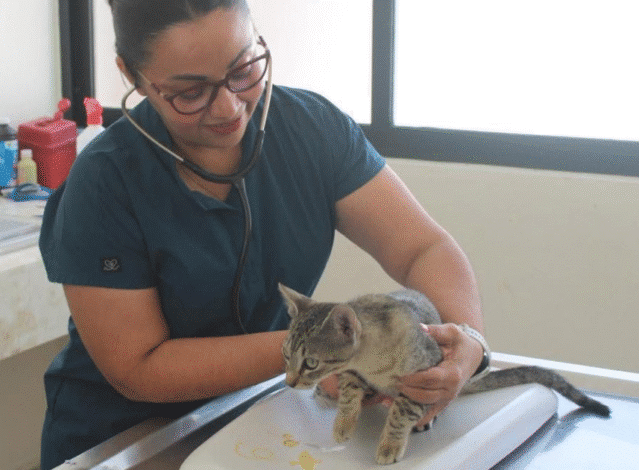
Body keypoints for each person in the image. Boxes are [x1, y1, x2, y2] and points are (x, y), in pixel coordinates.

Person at [37, 0, 487, 468]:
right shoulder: (105, 184)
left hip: (256, 416)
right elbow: (139, 367)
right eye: (191, 93)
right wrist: (326, 352)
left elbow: (422, 249)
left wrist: (467, 344)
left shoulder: (312, 132)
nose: (230, 105)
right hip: (123, 441)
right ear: (132, 75)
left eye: (245, 69)